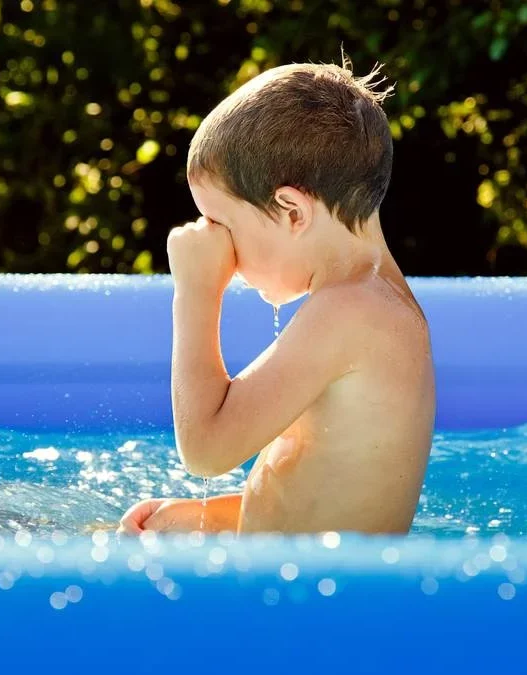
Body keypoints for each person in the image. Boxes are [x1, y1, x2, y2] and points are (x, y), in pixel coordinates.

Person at [118, 61, 435, 535]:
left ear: (291, 211)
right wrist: (204, 519)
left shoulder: (352, 313)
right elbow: (324, 497)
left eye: (222, 225)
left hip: (312, 605)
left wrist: (197, 290)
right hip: (313, 590)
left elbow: (205, 450)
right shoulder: (372, 304)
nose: (221, 249)